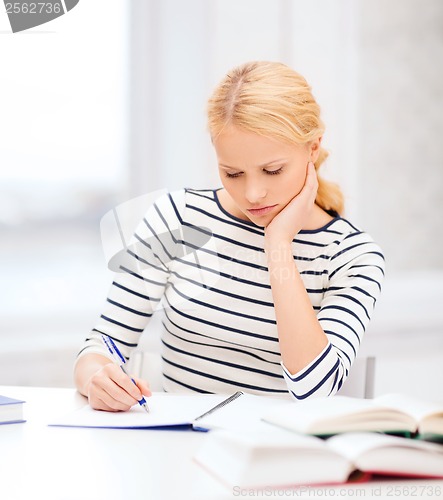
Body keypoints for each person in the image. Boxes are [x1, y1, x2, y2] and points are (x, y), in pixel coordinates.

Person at [74, 61, 385, 411]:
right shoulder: (178, 217)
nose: (253, 193)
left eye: (272, 170)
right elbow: (104, 343)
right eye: (233, 172)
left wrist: (279, 245)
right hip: (178, 448)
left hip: (281, 457)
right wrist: (96, 378)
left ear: (313, 148)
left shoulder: (353, 256)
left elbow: (314, 388)